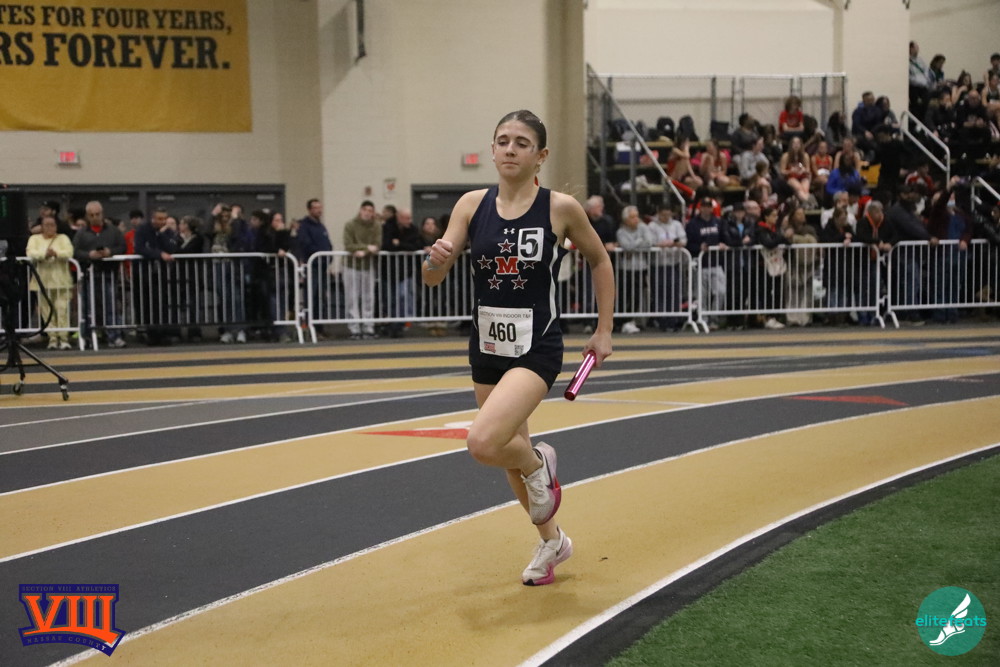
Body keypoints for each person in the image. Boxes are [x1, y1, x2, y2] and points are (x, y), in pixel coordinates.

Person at [422, 109, 614, 587]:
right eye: (503, 140)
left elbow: (599, 260)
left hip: (536, 346)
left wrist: (603, 329)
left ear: (540, 156)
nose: (510, 149)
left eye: (521, 143)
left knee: (484, 442)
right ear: (492, 150)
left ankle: (539, 463)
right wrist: (434, 261)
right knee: (509, 453)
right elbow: (432, 278)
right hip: (487, 346)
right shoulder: (470, 205)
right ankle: (552, 542)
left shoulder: (560, 208)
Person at [72, 200, 127, 348]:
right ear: (87, 216)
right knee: (87, 309)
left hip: (108, 274)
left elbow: (122, 247)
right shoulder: (81, 233)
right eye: (91, 215)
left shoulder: (114, 231)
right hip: (88, 275)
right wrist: (89, 255)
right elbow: (75, 251)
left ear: (102, 214)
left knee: (111, 307)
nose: (95, 217)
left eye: (97, 214)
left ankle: (114, 336)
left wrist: (110, 252)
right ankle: (88, 337)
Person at [26, 214, 75, 350]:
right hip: (42, 282)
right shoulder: (34, 239)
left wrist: (56, 253)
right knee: (46, 312)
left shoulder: (63, 238)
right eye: (46, 225)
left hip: (62, 282)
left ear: (56, 226)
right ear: (41, 227)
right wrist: (44, 254)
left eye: (52, 225)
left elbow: (69, 252)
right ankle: (52, 338)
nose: (49, 228)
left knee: (62, 310)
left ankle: (64, 338)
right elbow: (30, 253)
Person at [134, 207, 180, 345]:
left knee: (163, 303)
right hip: (145, 273)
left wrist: (162, 234)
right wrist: (159, 254)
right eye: (160, 219)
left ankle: (163, 332)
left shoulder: (167, 231)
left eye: (164, 219)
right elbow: (140, 248)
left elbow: (172, 247)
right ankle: (151, 333)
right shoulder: (143, 230)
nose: (163, 222)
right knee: (147, 304)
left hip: (162, 273)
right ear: (153, 218)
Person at [686, 196, 729, 330]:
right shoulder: (692, 224)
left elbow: (725, 238)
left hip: (716, 263)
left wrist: (723, 244)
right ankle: (703, 319)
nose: (706, 209)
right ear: (700, 208)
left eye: (708, 206)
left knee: (721, 291)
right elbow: (688, 244)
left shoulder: (718, 222)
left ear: (711, 208)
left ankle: (714, 318)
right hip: (700, 264)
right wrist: (698, 247)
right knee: (701, 294)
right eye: (704, 206)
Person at [343, 200, 382, 339]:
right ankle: (354, 328)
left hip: (368, 265)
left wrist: (363, 251)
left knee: (368, 297)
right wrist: (367, 248)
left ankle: (368, 327)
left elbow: (377, 245)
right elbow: (348, 245)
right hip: (351, 265)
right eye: (365, 210)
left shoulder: (376, 226)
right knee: (352, 298)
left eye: (370, 211)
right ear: (360, 210)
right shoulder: (350, 225)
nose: (367, 213)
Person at [295, 198, 334, 335]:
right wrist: (319, 255)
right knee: (312, 297)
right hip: (312, 266)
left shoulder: (321, 226)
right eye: (316, 208)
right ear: (309, 210)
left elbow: (328, 244)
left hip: (323, 266)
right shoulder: (304, 226)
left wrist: (328, 257)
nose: (319, 210)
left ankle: (319, 327)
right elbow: (306, 244)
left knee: (321, 298)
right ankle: (310, 325)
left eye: (320, 207)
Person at [615, 205, 656, 333]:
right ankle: (623, 322)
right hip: (626, 269)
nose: (636, 219)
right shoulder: (621, 232)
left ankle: (634, 320)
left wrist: (634, 247)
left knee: (638, 295)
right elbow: (626, 246)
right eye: (632, 217)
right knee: (625, 296)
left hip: (640, 268)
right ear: (626, 219)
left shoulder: (643, 227)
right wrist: (639, 241)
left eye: (637, 216)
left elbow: (649, 243)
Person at [383, 207, 423, 337]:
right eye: (407, 218)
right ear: (399, 217)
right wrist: (403, 245)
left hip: (406, 271)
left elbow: (415, 246)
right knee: (391, 299)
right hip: (388, 271)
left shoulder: (413, 229)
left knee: (403, 296)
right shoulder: (388, 227)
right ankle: (390, 325)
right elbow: (387, 245)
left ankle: (400, 324)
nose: (409, 221)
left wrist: (399, 243)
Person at [647, 203, 687, 331]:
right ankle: (661, 320)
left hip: (673, 263)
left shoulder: (676, 225)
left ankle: (673, 320)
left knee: (674, 292)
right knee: (659, 293)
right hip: (658, 265)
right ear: (658, 213)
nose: (666, 217)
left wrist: (677, 243)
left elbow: (683, 239)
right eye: (663, 215)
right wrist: (660, 244)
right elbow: (650, 242)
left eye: (668, 215)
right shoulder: (652, 226)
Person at [779, 136, 813, 203]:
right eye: (794, 143)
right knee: (799, 188)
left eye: (798, 143)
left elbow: (808, 170)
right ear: (791, 145)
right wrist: (790, 171)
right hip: (791, 177)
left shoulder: (805, 156)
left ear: (801, 145)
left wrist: (803, 170)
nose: (796, 145)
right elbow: (782, 171)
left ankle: (806, 202)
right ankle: (808, 202)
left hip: (803, 176)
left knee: (805, 189)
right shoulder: (786, 156)